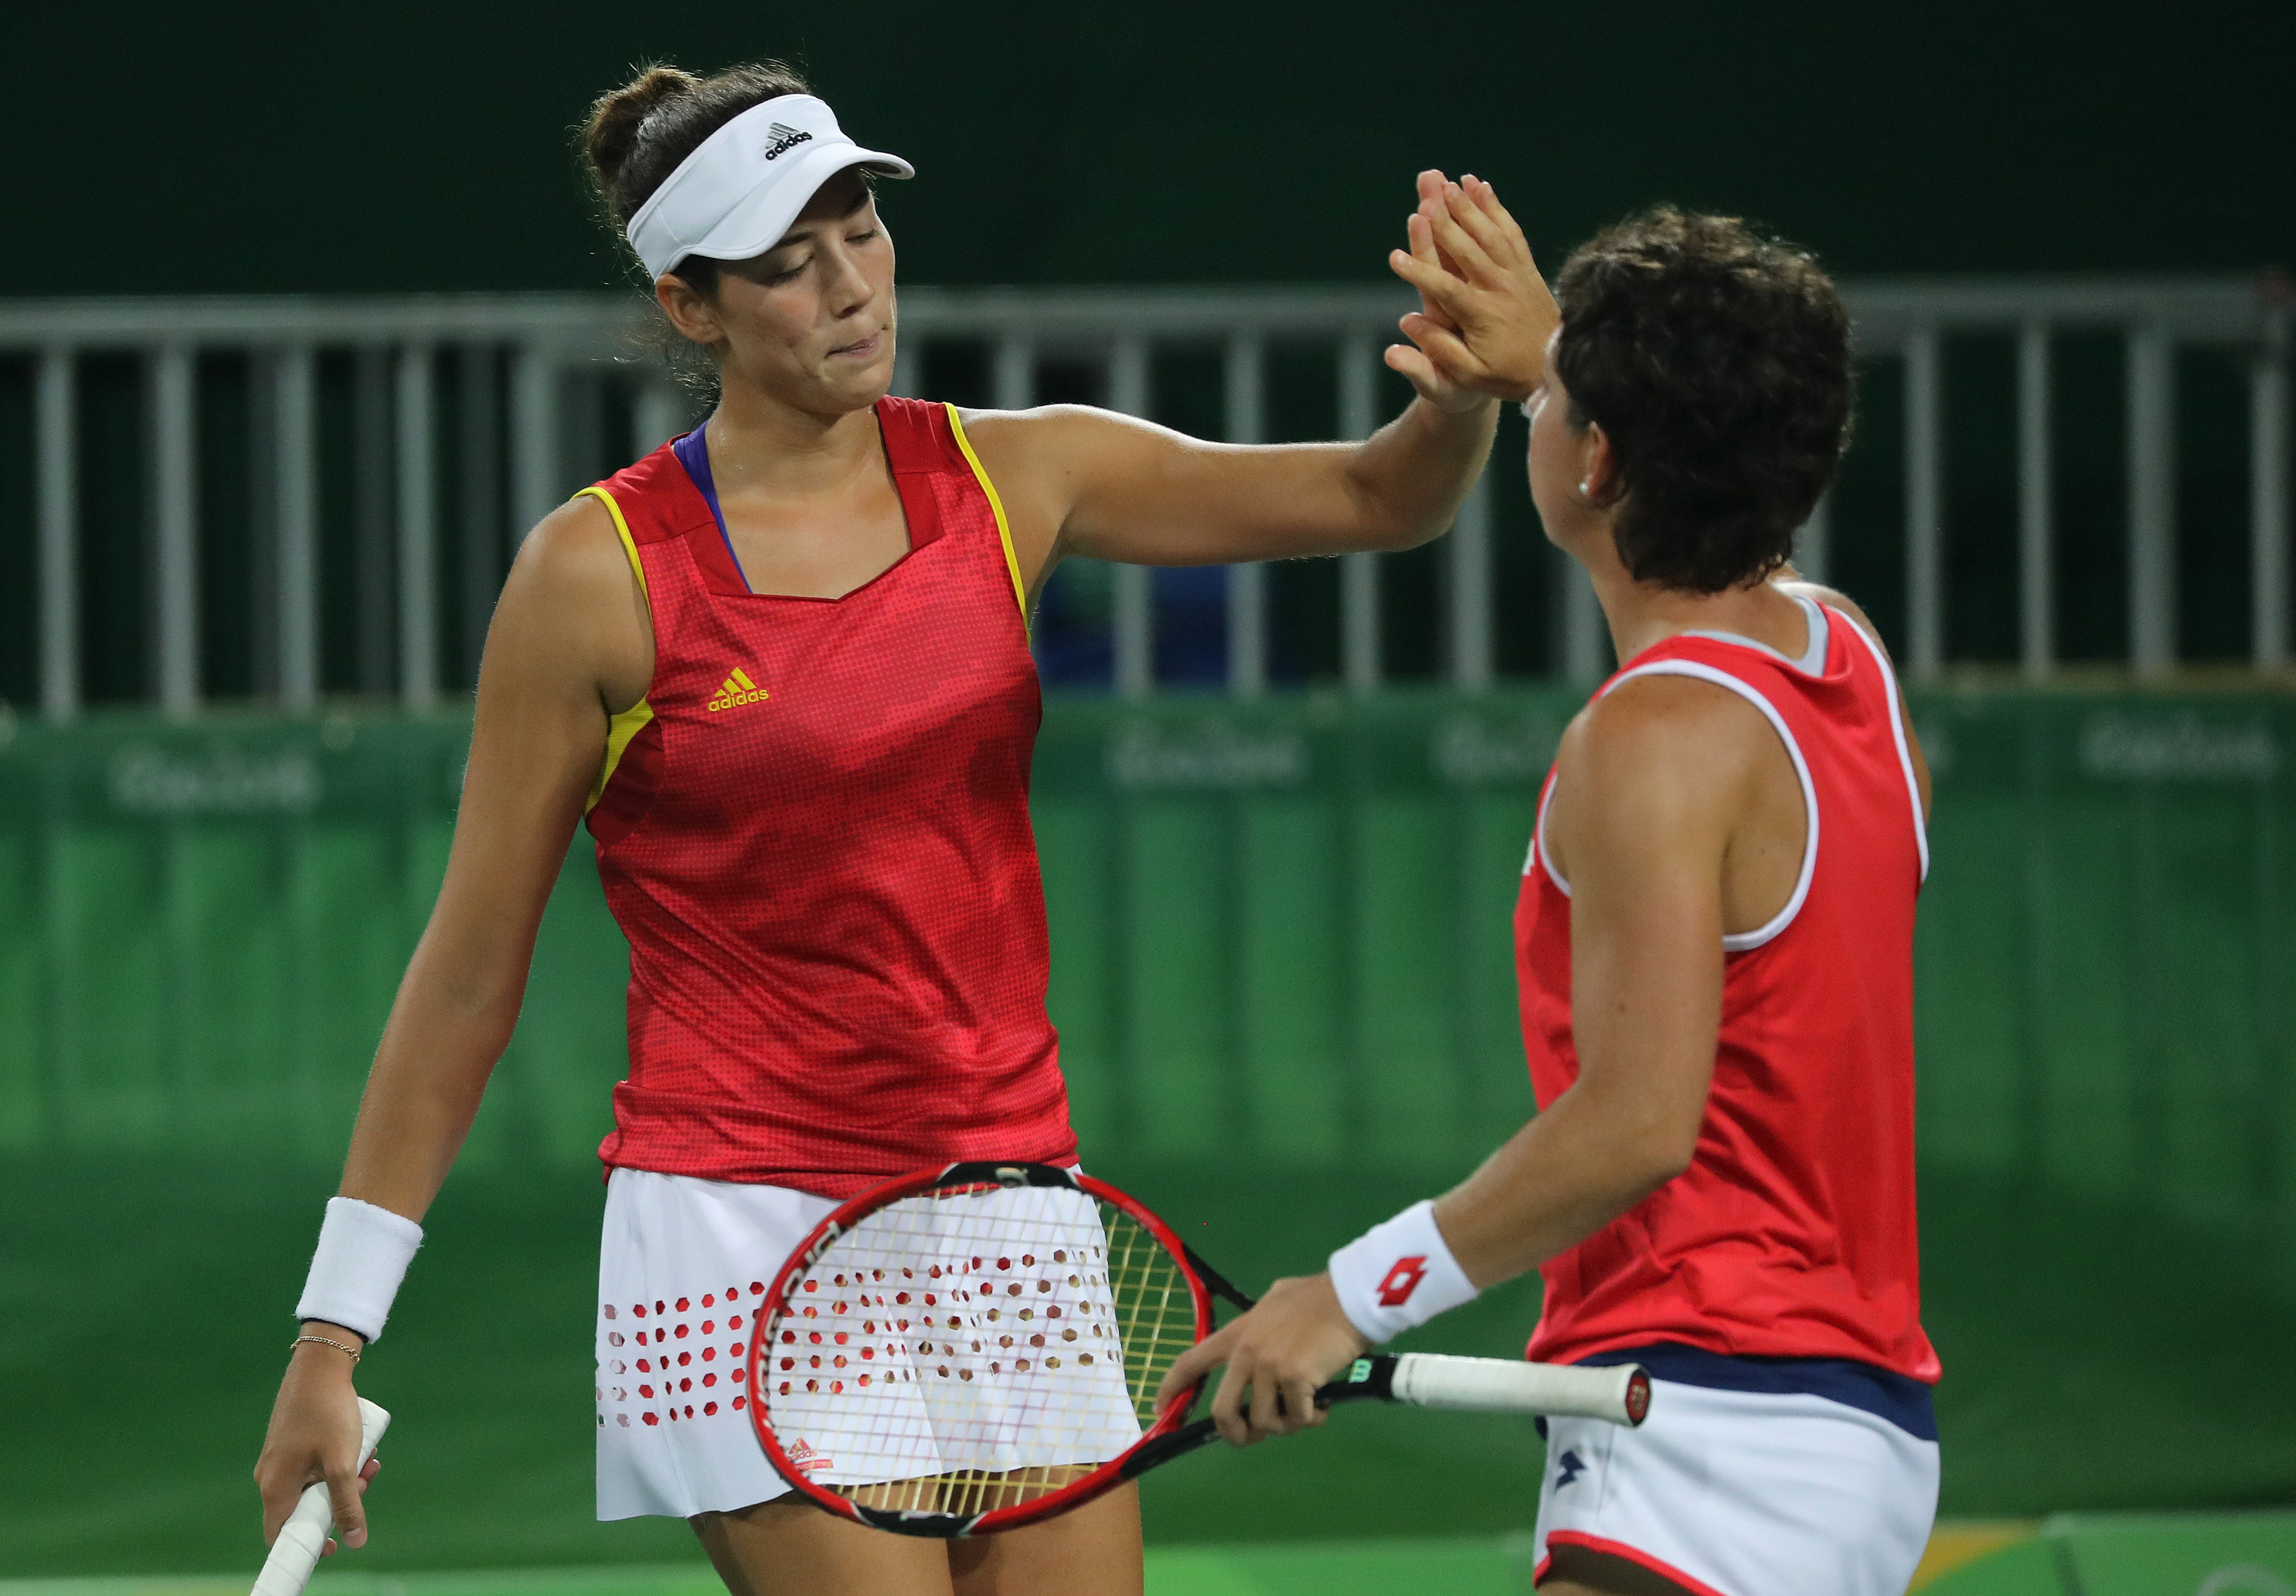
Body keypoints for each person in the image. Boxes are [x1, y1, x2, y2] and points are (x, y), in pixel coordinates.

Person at [251, 60, 1535, 1596]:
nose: (853, 286)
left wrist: (1457, 394)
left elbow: (1378, 499)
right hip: (743, 1230)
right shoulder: (596, 577)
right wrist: (334, 1333)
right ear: (691, 306)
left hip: (1010, 1206)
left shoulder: (1015, 478)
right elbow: (467, 975)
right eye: (790, 267)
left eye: (860, 229)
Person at [1160, 196, 1941, 1596]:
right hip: (1851, 1428)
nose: (1543, 403)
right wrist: (1553, 365)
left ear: (1600, 461)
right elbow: (1698, 468)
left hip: (1715, 1421)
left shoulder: (1652, 745)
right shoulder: (1850, 662)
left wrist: (1349, 1298)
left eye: (1557, 399)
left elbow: (1640, 1123)